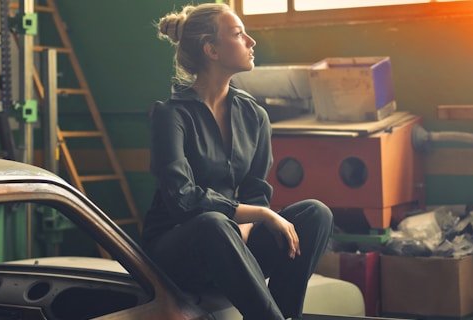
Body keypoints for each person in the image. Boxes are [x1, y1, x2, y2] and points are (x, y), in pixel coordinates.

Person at [142, 3, 332, 320]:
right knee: (213, 224)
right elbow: (181, 199)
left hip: (234, 239)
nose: (251, 41)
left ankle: (285, 314)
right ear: (212, 49)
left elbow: (256, 188)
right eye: (238, 34)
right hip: (179, 249)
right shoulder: (170, 114)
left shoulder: (254, 115)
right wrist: (256, 215)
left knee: (316, 213)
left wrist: (244, 224)